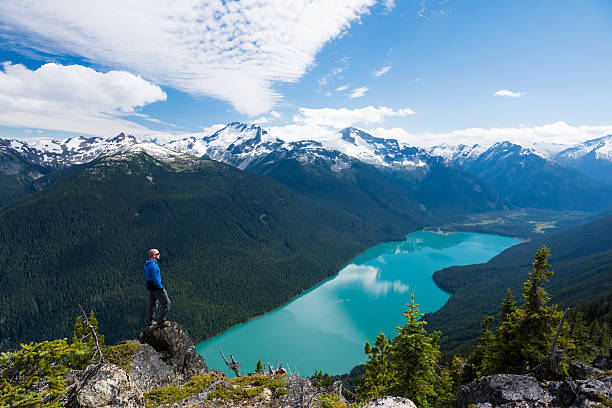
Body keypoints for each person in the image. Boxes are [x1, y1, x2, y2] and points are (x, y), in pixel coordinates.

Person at [144, 248, 171, 327]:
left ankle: (150, 321)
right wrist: (161, 287)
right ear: (154, 256)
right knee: (166, 303)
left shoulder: (147, 263)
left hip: (150, 286)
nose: (159, 255)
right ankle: (161, 321)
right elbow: (155, 279)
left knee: (152, 304)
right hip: (156, 287)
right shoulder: (153, 265)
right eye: (158, 254)